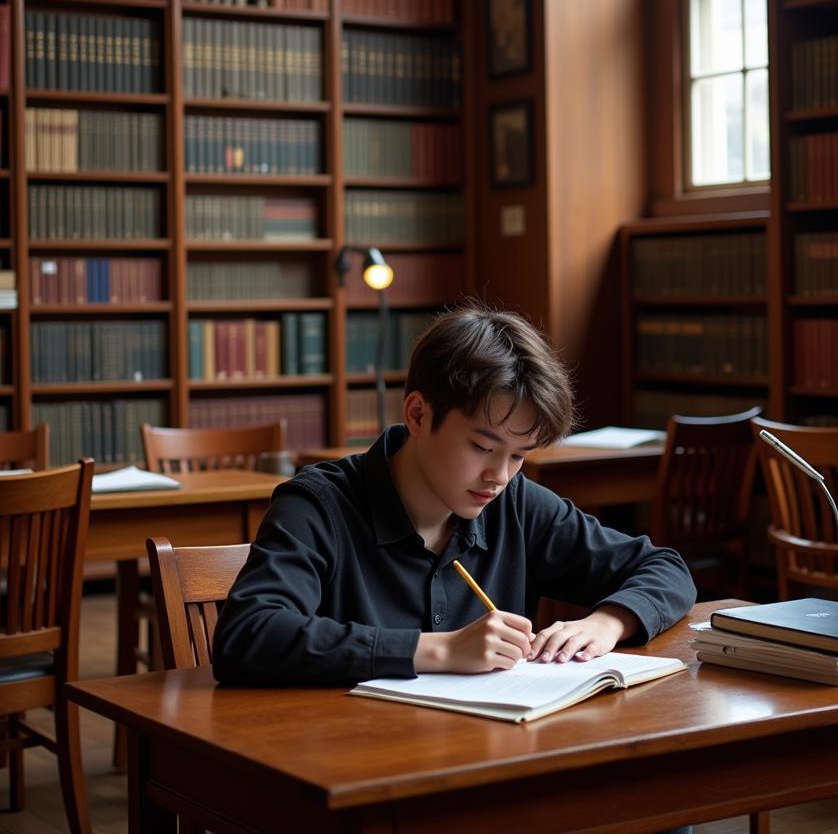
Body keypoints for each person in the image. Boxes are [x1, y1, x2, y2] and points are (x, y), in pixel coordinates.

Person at [214, 302, 697, 834]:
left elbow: (663, 567)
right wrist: (440, 649)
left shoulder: (516, 505)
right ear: (418, 415)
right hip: (357, 784)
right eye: (482, 446)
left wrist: (606, 622)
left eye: (519, 456)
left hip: (492, 773)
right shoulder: (318, 506)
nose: (499, 476)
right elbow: (249, 635)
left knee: (662, 810)